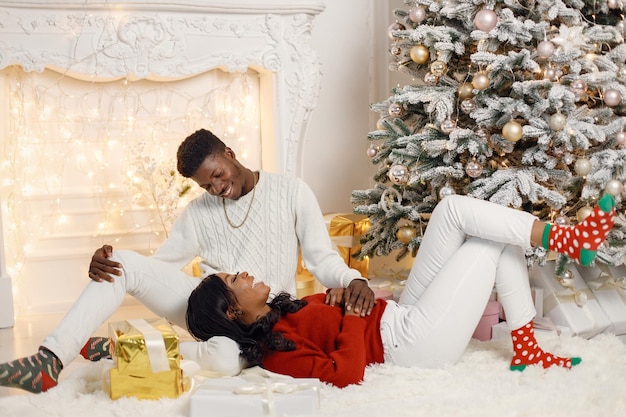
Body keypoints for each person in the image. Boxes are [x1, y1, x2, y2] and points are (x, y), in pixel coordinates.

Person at [0, 129, 374, 394]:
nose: (216, 189)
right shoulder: (198, 212)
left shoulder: (293, 192)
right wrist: (114, 265)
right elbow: (160, 267)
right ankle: (50, 359)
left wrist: (352, 278)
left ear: (229, 153)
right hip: (208, 306)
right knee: (124, 264)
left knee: (229, 360)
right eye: (205, 186)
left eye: (217, 176)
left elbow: (321, 257)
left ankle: (116, 349)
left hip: (261, 317)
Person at [185, 192, 617, 388]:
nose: (241, 273)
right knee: (487, 246)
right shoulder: (277, 354)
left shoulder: (283, 309)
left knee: (451, 210)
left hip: (400, 314)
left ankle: (559, 250)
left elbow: (337, 314)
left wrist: (346, 296)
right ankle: (565, 244)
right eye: (232, 281)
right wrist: (353, 318)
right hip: (407, 344)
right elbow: (345, 374)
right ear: (232, 313)